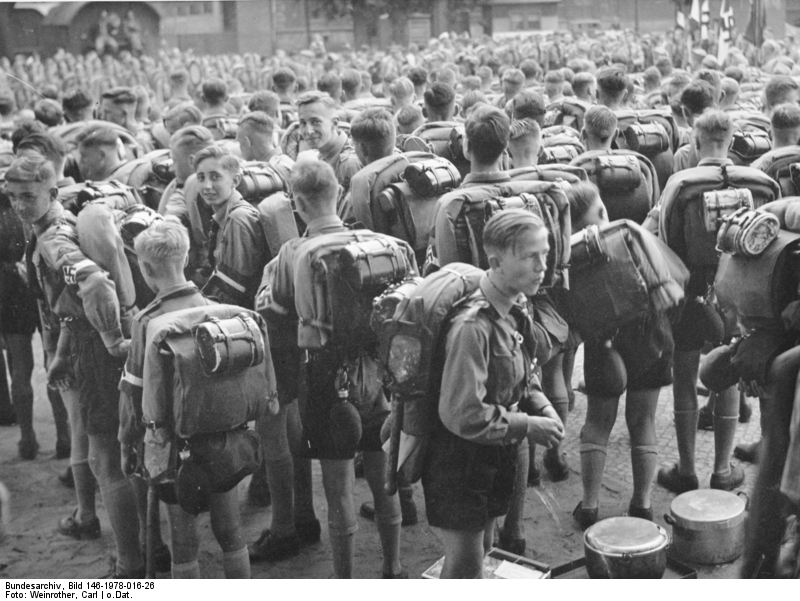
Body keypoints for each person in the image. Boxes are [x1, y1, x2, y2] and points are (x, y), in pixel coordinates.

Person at [261, 158, 410, 578]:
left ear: (297, 204)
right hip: (382, 374)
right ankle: (394, 567)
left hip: (328, 382)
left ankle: (344, 580)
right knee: (384, 479)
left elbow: (273, 312)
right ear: (339, 195)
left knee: (339, 490)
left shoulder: (293, 253)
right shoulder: (387, 246)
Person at [6, 154, 143, 577]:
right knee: (120, 451)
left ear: (51, 192)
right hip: (87, 343)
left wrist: (107, 338)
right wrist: (63, 352)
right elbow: (70, 305)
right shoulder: (55, 225)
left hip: (98, 352)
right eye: (11, 197)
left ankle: (131, 566)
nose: (18, 206)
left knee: (105, 459)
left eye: (27, 196)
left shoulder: (52, 239)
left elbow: (95, 283)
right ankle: (145, 548)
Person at [422, 208, 564, 578]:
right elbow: (463, 414)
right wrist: (528, 424)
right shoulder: (473, 327)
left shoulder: (515, 307)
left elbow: (522, 373)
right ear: (496, 260)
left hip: (493, 455)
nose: (542, 266)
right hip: (460, 461)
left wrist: (542, 404)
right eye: (531, 256)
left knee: (483, 550)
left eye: (545, 254)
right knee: (466, 568)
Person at [119, 220, 249, 578]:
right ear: (188, 256)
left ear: (144, 268)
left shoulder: (147, 322)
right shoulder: (214, 307)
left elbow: (133, 393)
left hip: (175, 446)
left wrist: (126, 442)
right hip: (221, 436)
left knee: (183, 539)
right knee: (230, 529)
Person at [568, 181, 673, 528]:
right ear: (600, 211)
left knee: (597, 423)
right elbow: (666, 284)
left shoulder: (572, 257)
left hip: (604, 345)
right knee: (643, 421)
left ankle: (589, 506)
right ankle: (642, 505)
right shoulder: (626, 234)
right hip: (649, 336)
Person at [295, 91, 360, 219]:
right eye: (303, 123)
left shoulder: (348, 164)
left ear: (334, 123)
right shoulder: (321, 156)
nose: (308, 131)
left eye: (315, 122)